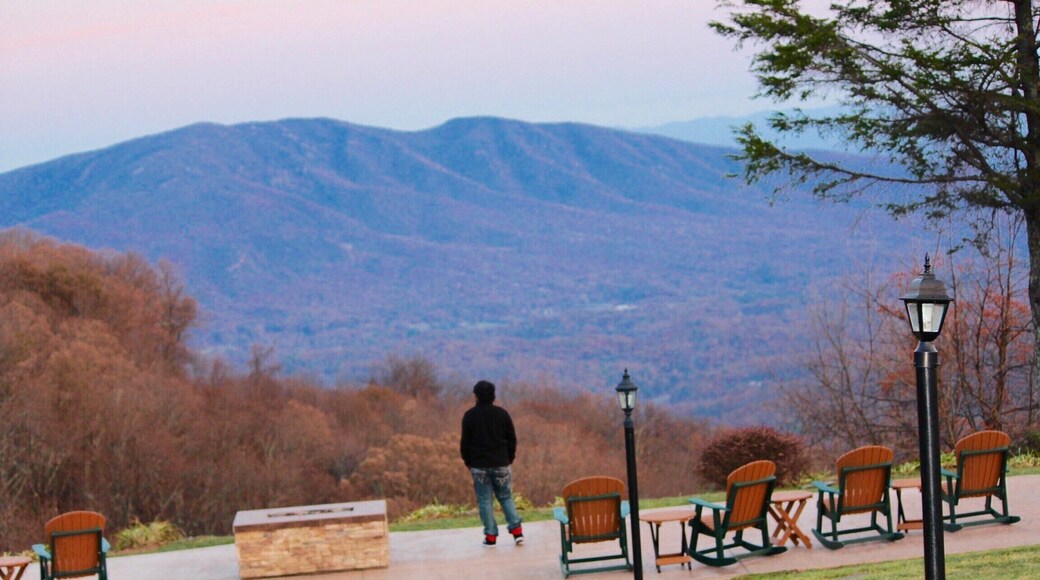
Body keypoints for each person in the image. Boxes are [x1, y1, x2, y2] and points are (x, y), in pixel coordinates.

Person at [460, 380, 524, 547]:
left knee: (484, 500)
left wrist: (468, 461)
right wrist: (509, 458)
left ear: (476, 396)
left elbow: (465, 443)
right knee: (506, 497)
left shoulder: (469, 416)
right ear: (493, 396)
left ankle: (490, 537)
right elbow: (512, 439)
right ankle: (517, 532)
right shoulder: (502, 414)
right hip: (501, 462)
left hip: (479, 465)